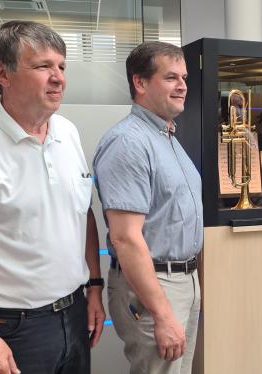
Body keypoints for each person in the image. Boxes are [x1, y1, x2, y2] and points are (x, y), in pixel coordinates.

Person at [0, 20, 105, 374]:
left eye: (61, 66)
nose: (58, 77)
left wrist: (94, 287)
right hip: (13, 328)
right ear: (2, 73)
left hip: (74, 313)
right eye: (43, 66)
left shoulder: (67, 132)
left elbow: (82, 213)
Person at [93, 41, 203, 374]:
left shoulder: (165, 137)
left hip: (183, 280)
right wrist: (163, 314)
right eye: (171, 77)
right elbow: (126, 239)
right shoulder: (130, 142)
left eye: (183, 77)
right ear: (140, 83)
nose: (183, 85)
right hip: (155, 285)